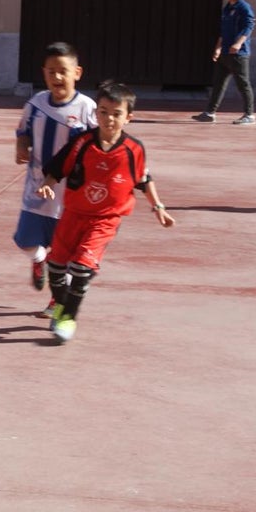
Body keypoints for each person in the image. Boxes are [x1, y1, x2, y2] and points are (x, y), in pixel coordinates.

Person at [38, 82, 175, 342]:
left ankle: (68, 319)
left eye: (116, 113)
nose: (109, 118)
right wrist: (47, 185)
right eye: (103, 111)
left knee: (81, 267)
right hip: (73, 214)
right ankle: (60, 304)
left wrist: (158, 207)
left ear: (128, 117)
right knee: (55, 267)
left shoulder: (134, 150)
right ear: (95, 113)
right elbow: (57, 168)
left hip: (105, 219)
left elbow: (144, 179)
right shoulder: (81, 143)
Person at [14, 42, 97, 318]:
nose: (57, 77)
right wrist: (21, 146)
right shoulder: (36, 104)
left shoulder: (87, 108)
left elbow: (101, 143)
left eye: (63, 71)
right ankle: (39, 260)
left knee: (66, 255)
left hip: (71, 195)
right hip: (37, 188)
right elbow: (23, 131)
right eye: (51, 71)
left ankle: (55, 301)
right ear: (44, 73)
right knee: (25, 239)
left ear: (77, 72)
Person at [192, 0, 256, 125]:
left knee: (243, 84)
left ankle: (250, 115)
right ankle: (210, 113)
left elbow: (249, 26)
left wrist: (239, 43)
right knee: (219, 83)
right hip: (225, 53)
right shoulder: (227, 8)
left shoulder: (244, 8)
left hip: (239, 54)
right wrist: (218, 48)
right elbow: (223, 31)